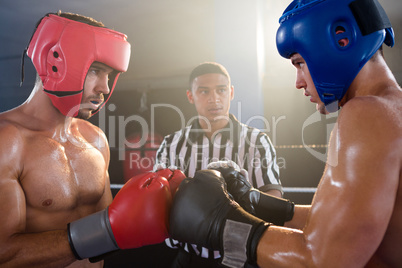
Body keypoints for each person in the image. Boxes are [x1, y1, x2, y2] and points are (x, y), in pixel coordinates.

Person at [168, 0, 402, 267]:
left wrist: (220, 224)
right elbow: (341, 225)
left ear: (342, 39)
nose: (298, 81)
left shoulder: (366, 113)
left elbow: (322, 261)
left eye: (300, 63)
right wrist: (255, 202)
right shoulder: (391, 109)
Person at [0, 12, 185, 268]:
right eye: (96, 71)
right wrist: (109, 228)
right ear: (54, 61)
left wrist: (162, 211)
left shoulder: (94, 139)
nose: (105, 88)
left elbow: (108, 237)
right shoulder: (7, 142)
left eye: (109, 75)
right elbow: (5, 254)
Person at [154, 62, 286, 267]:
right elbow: (158, 201)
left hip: (240, 257)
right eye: (204, 91)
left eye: (221, 90)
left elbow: (273, 198)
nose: (214, 99)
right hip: (187, 256)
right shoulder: (171, 144)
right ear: (191, 96)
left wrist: (240, 210)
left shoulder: (256, 141)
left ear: (231, 92)